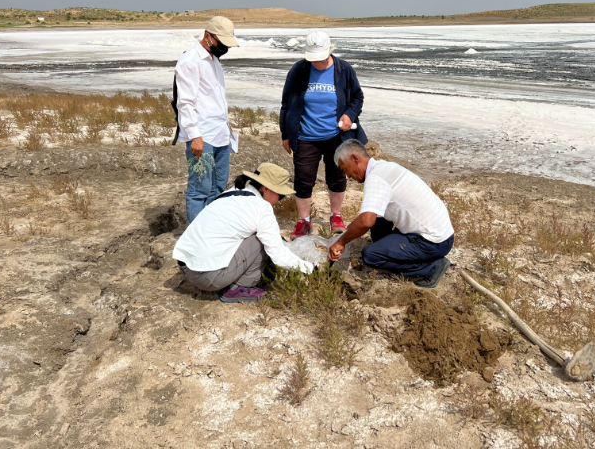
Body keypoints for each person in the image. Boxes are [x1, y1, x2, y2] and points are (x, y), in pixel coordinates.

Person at [172, 163, 315, 303]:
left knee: (258, 236)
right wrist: (310, 268)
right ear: (266, 189)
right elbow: (278, 255)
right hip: (207, 278)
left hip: (186, 267)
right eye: (281, 195)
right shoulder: (262, 208)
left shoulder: (232, 192)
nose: (280, 200)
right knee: (261, 240)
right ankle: (240, 287)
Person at [328, 139, 454, 288]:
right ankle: (391, 249)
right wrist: (350, 232)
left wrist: (341, 242)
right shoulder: (384, 167)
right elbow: (368, 217)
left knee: (371, 256)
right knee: (376, 223)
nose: (347, 176)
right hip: (440, 231)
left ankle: (432, 267)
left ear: (355, 158)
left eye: (345, 169)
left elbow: (366, 221)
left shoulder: (375, 179)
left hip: (433, 241)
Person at [280, 30, 367, 240]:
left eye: (320, 57)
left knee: (337, 177)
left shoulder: (343, 69)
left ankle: (336, 216)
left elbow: (357, 97)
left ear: (329, 51)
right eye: (313, 58)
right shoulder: (299, 70)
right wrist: (286, 133)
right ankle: (304, 221)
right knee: (303, 179)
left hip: (336, 136)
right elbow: (286, 103)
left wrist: (349, 115)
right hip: (305, 136)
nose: (317, 62)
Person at [174, 16, 240, 223]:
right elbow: (185, 103)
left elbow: (215, 97)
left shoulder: (214, 60)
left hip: (221, 133)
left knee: (219, 185)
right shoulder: (190, 61)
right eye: (221, 42)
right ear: (208, 36)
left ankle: (211, 228)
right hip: (203, 135)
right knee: (199, 188)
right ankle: (195, 236)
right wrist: (195, 136)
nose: (224, 47)